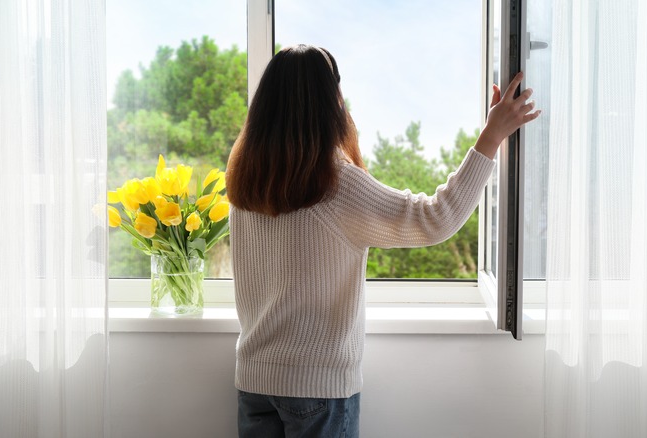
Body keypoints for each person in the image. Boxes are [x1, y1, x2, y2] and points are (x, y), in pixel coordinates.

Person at [225, 44, 540, 437]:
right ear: (330, 102)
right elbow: (435, 218)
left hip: (253, 384)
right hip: (317, 391)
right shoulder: (335, 185)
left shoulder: (245, 183)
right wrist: (492, 136)